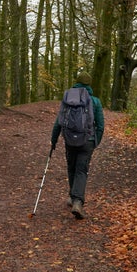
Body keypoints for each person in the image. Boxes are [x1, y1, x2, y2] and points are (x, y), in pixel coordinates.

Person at [51, 72, 105, 219]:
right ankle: (77, 201)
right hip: (87, 140)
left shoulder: (68, 98)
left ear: (77, 82)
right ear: (89, 84)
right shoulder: (94, 101)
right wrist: (95, 142)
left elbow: (59, 121)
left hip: (69, 140)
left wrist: (53, 140)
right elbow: (100, 125)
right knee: (81, 170)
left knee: (72, 167)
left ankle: (72, 196)